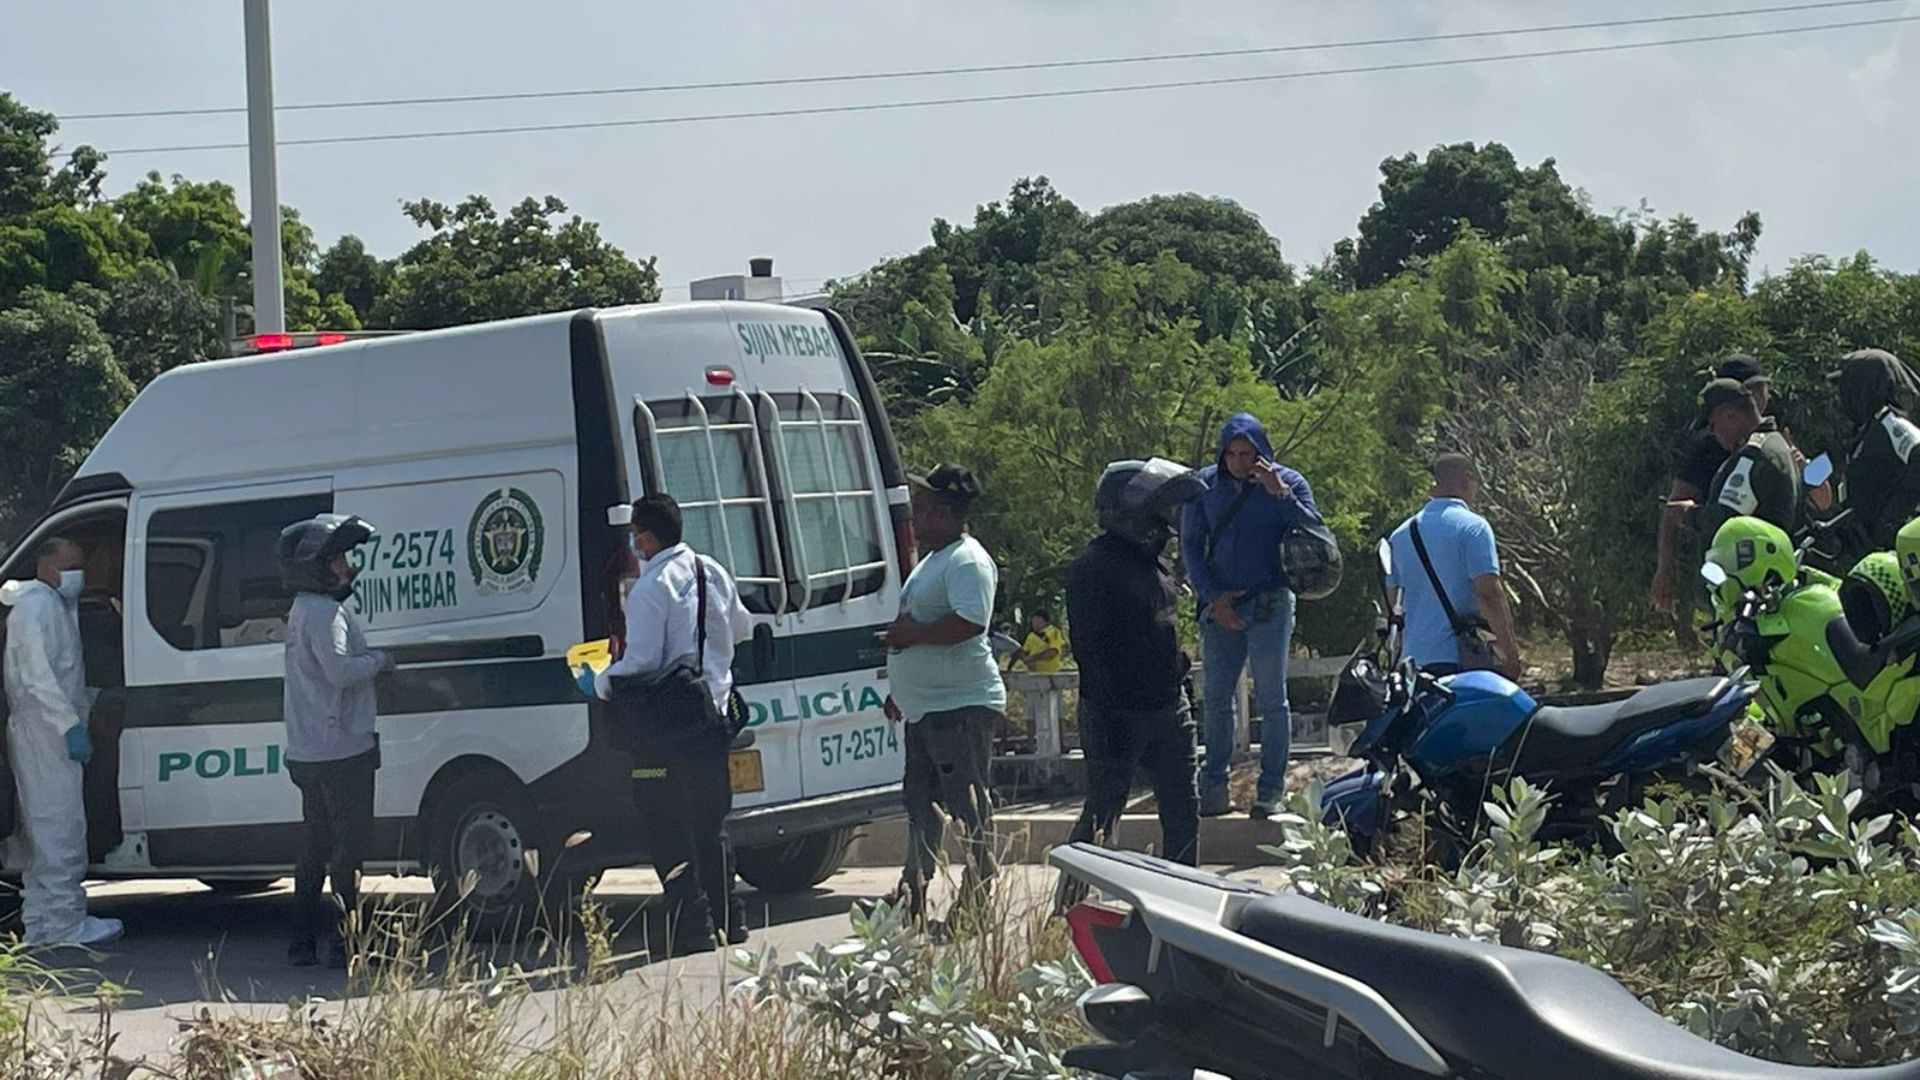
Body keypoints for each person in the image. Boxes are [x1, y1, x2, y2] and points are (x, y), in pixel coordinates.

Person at [595, 493, 753, 954]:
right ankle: (729, 917)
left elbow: (642, 660)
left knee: (663, 818)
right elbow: (740, 627)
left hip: (664, 728)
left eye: (634, 535)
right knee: (710, 820)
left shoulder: (650, 588)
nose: (633, 543)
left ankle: (691, 924)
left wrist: (602, 681)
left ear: (646, 536)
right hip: (716, 715)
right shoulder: (713, 571)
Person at [1066, 458, 1207, 867]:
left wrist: (1181, 690)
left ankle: (1185, 907)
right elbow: (1090, 652)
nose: (1167, 522)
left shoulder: (1155, 567)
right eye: (1159, 511)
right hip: (1116, 714)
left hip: (1168, 708)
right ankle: (1067, 910)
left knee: (1184, 814)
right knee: (1102, 816)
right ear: (1131, 514)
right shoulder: (1092, 569)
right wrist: (1110, 713)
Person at [1180, 413, 1319, 820]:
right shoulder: (1203, 486)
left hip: (1270, 602)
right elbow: (1191, 545)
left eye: (1248, 454)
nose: (1240, 462)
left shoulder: (1290, 482)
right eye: (1232, 454)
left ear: (1262, 452)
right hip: (1220, 604)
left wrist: (1280, 495)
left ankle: (1270, 791)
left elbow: (1316, 532)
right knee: (1218, 700)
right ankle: (1214, 788)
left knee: (1272, 698)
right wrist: (1212, 597)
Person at [881, 464, 1003, 921]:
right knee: (921, 802)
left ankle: (977, 896)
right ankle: (912, 890)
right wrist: (901, 688)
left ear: (947, 513)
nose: (918, 514)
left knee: (967, 803)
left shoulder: (967, 560)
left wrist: (913, 637)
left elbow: (970, 622)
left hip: (959, 705)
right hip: (926, 707)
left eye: (927, 508)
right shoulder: (935, 560)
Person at [278, 514, 391, 968]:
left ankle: (301, 940)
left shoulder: (302, 610)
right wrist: (381, 661)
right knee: (349, 851)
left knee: (314, 849)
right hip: (342, 749)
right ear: (317, 567)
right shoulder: (326, 613)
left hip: (308, 748)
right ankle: (352, 943)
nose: (347, 567)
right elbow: (342, 672)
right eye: (339, 559)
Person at [1, 537, 122, 947]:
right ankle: (63, 925)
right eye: (73, 565)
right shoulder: (35, 608)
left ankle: (44, 920)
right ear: (50, 567)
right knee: (59, 826)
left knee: (50, 826)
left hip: (49, 726)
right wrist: (67, 724)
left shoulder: (52, 606)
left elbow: (64, 673)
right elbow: (37, 678)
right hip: (44, 729)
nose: (80, 574)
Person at [1652, 354, 1775, 613]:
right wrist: (1665, 567)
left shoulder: (1770, 444)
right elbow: (1673, 510)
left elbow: (1820, 499)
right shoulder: (1707, 451)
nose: (1765, 398)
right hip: (1725, 575)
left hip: (1770, 570)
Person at [1385, 454, 1522, 678]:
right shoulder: (1473, 527)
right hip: (1459, 660)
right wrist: (1510, 655)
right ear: (1468, 480)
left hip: (1412, 665)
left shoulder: (1400, 535)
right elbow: (1489, 595)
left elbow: (1392, 603)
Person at [1830, 348, 1920, 554]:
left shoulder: (1890, 422)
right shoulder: (1865, 430)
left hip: (1897, 552)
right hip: (1870, 549)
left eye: (1845, 387)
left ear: (1862, 387)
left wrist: (1891, 518)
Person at [1691, 377, 1802, 540]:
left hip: (1752, 562)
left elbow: (1727, 520)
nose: (1713, 433)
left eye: (1713, 425)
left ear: (1729, 416)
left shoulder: (1753, 454)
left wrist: (1689, 515)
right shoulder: (1774, 442)